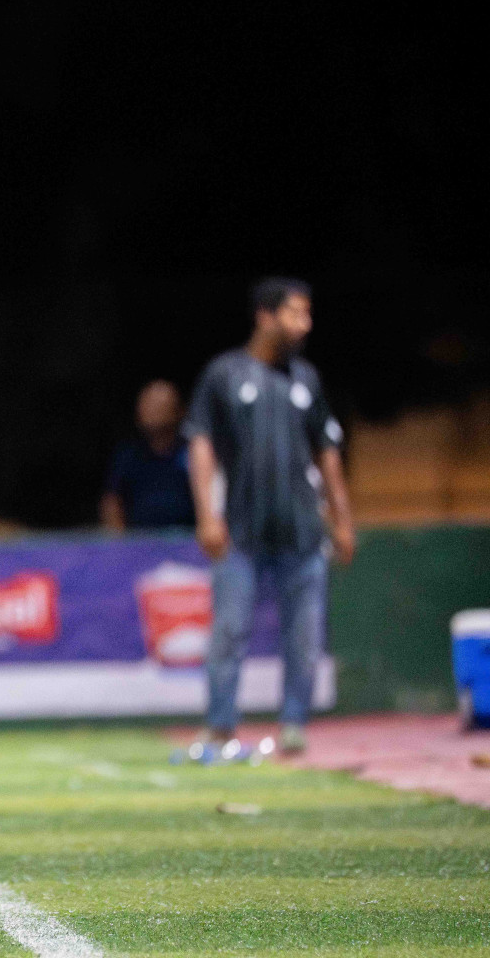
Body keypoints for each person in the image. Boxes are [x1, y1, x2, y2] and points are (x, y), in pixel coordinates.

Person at [185, 277, 355, 755]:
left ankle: (294, 725)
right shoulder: (224, 374)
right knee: (229, 631)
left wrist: (342, 519)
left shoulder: (307, 379)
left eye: (307, 313)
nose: (305, 323)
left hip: (302, 534)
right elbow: (201, 445)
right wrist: (206, 514)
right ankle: (220, 725)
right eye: (295, 313)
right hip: (241, 531)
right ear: (265, 315)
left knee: (304, 637)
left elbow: (328, 452)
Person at [100, 379, 196, 531]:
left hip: (188, 541)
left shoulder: (194, 454)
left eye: (158, 405)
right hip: (139, 544)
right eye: (146, 404)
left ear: (180, 411)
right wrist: (117, 544)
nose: (150, 410)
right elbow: (112, 501)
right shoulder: (128, 456)